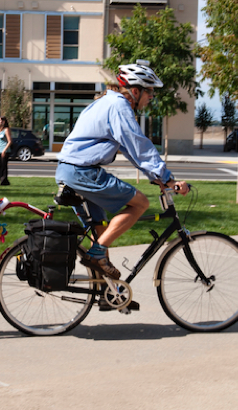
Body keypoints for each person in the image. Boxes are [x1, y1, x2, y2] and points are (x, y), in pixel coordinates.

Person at [55, 62, 188, 290]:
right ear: (135, 91)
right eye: (150, 91)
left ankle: (106, 289)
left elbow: (130, 149)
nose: (152, 97)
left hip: (70, 170)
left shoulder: (105, 102)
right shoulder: (119, 107)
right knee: (140, 203)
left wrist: (156, 176)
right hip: (82, 171)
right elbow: (139, 146)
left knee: (101, 231)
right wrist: (168, 180)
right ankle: (96, 257)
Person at [0, 116, 13, 186]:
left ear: (3, 122)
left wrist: (4, 150)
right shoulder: (0, 130)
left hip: (5, 150)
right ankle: (3, 180)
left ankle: (3, 181)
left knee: (3, 166)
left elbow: (10, 141)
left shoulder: (6, 130)